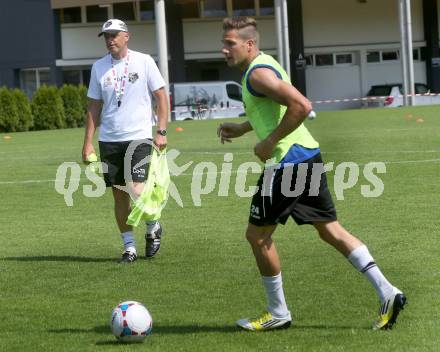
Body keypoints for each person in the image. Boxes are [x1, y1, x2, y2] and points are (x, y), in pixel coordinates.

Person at [217, 17, 406, 331]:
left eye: (230, 44)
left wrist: (268, 141)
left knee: (258, 236)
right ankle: (388, 291)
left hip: (286, 164)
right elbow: (276, 107)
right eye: (223, 44)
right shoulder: (265, 65)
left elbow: (301, 106)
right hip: (306, 156)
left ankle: (278, 312)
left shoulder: (258, 73)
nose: (224, 50)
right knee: (330, 230)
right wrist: (243, 127)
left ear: (249, 44)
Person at [82, 19, 169, 263]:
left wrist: (161, 131)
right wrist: (88, 142)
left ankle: (152, 225)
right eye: (106, 36)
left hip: (139, 136)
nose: (110, 40)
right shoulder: (99, 67)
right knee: (120, 196)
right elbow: (94, 106)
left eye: (114, 35)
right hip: (109, 140)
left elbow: (161, 97)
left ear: (126, 36)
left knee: (137, 188)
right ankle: (129, 247)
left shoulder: (144, 61)